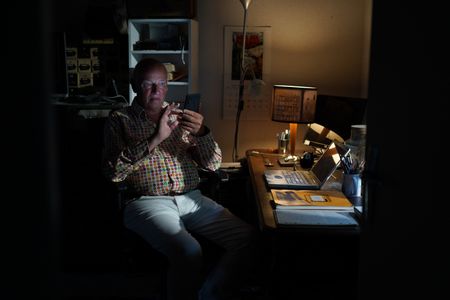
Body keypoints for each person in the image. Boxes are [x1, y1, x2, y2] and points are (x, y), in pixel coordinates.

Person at [102, 57, 257, 300]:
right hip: (146, 202)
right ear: (134, 85)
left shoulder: (179, 116)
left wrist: (203, 133)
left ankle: (209, 294)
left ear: (168, 86)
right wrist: (156, 138)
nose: (156, 91)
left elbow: (213, 164)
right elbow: (113, 172)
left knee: (249, 239)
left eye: (161, 83)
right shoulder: (119, 119)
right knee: (189, 251)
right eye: (147, 84)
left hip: (191, 198)